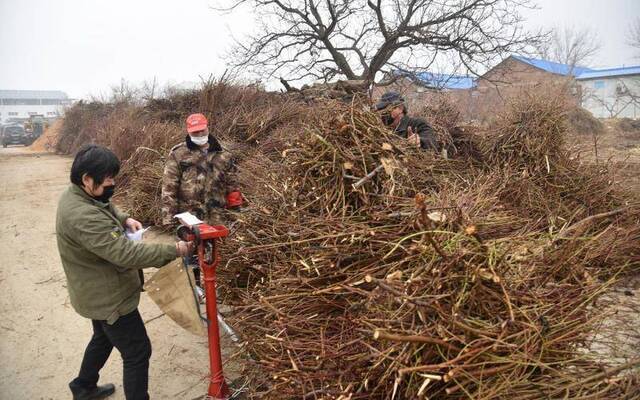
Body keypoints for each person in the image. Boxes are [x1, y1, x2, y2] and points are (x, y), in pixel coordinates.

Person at [56, 144, 192, 400]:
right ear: (87, 179)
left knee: (103, 337)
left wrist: (125, 218)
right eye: (108, 179)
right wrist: (175, 250)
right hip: (109, 299)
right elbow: (126, 254)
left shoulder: (77, 194)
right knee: (137, 351)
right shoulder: (83, 216)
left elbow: (104, 206)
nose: (112, 184)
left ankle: (83, 386)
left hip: (94, 293)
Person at [161, 113, 241, 294]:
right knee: (191, 256)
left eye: (201, 131)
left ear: (208, 127)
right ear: (189, 132)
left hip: (216, 214)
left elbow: (233, 184)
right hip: (189, 216)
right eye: (194, 132)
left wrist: (236, 209)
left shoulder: (223, 154)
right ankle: (195, 291)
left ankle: (216, 292)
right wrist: (170, 221)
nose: (198, 135)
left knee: (216, 254)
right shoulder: (178, 154)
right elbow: (168, 189)